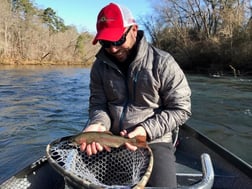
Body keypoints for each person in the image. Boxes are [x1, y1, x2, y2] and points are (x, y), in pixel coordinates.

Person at [80, 2, 191, 188]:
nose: (113, 49)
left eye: (117, 40)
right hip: (110, 139)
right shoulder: (99, 67)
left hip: (154, 141)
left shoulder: (163, 63)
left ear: (133, 30)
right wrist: (97, 123)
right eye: (105, 43)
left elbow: (181, 109)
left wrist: (145, 131)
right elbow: (98, 105)